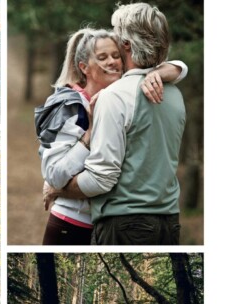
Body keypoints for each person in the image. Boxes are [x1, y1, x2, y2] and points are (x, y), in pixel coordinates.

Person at [46, 3, 186, 245]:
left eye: (117, 34)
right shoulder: (174, 93)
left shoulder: (115, 97)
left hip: (127, 225)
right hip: (170, 221)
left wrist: (60, 190)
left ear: (127, 45)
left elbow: (101, 178)